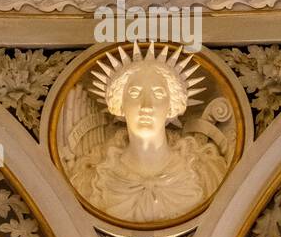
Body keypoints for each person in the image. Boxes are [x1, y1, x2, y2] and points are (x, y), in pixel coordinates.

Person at [69, 43, 228, 224]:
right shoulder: (91, 179)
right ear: (118, 104)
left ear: (173, 105)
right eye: (135, 93)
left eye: (158, 94)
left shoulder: (206, 173)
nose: (146, 105)